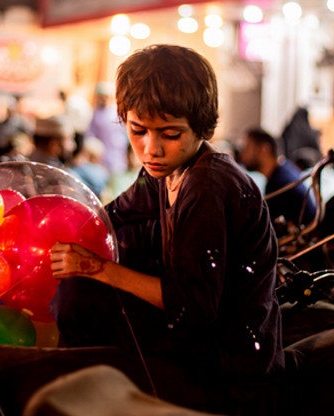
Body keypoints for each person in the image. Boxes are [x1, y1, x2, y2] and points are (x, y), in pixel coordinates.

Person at [50, 45, 284, 415]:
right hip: (195, 337)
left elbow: (194, 305)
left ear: (202, 126)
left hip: (229, 363)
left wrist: (95, 268)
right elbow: (113, 215)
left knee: (82, 296)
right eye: (137, 130)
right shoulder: (165, 172)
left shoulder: (207, 185)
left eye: (170, 134)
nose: (151, 148)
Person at [239, 127, 316, 234]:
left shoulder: (280, 183)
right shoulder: (283, 171)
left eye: (247, 147)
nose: (242, 154)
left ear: (264, 149)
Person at [85, 81, 129, 175]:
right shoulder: (96, 115)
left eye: (105, 97)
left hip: (117, 157)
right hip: (101, 159)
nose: (103, 99)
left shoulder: (117, 114)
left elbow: (125, 135)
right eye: (101, 97)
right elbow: (90, 136)